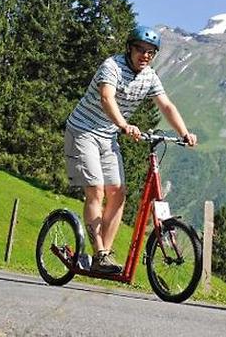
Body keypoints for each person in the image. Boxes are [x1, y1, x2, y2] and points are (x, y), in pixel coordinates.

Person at [64, 25, 197, 273]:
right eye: (140, 49)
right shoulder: (112, 66)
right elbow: (107, 98)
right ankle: (100, 254)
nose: (145, 55)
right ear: (129, 48)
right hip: (82, 131)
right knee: (96, 191)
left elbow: (166, 106)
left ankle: (103, 257)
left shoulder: (149, 77)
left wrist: (184, 133)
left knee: (118, 193)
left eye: (150, 52)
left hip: (108, 136)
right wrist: (124, 125)